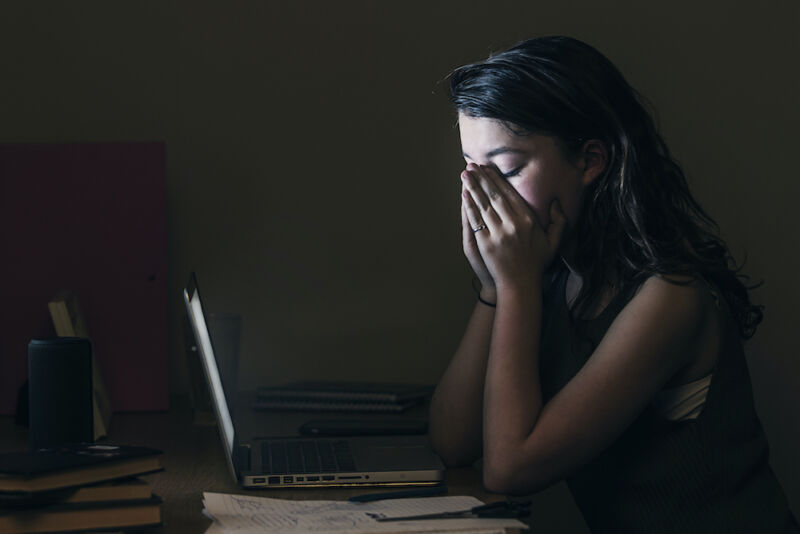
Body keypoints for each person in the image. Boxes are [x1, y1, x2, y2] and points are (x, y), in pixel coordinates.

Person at [428, 35, 798, 533]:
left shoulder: (670, 296)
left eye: (508, 169)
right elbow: (454, 444)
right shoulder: (551, 276)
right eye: (474, 173)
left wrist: (516, 287)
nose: (486, 197)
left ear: (590, 160)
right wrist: (494, 290)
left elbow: (509, 468)